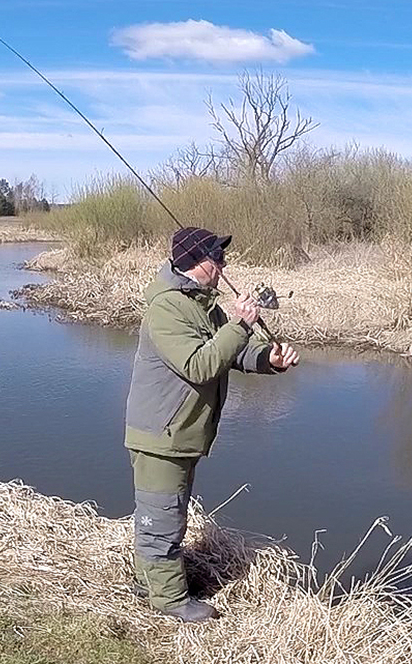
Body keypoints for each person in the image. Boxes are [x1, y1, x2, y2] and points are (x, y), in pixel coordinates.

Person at [124, 226, 300, 622]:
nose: (223, 264)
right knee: (162, 519)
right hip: (160, 435)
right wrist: (240, 325)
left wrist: (268, 360)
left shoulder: (204, 304)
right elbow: (200, 365)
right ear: (197, 262)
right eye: (217, 257)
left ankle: (148, 581)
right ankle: (169, 601)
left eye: (222, 257)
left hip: (181, 433)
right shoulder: (166, 308)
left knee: (166, 512)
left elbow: (232, 353)